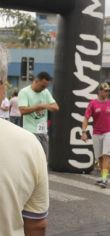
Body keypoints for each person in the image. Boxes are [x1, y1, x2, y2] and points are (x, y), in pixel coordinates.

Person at [0, 44, 49, 236]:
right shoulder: (23, 93)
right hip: (22, 137)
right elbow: (36, 225)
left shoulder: (44, 94)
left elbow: (55, 106)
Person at [81, 82, 110, 189]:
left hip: (109, 132)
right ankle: (103, 176)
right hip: (96, 133)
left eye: (108, 91)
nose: (107, 92)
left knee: (106, 155)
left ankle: (104, 179)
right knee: (100, 157)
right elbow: (86, 118)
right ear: (99, 91)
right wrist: (83, 132)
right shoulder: (92, 104)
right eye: (105, 90)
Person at [18, 71, 59, 159]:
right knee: (32, 158)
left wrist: (46, 106)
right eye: (42, 86)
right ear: (36, 81)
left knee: (44, 159)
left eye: (46, 86)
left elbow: (56, 107)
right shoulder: (24, 92)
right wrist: (39, 106)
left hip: (43, 131)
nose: (44, 88)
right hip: (30, 131)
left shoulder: (46, 92)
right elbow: (22, 110)